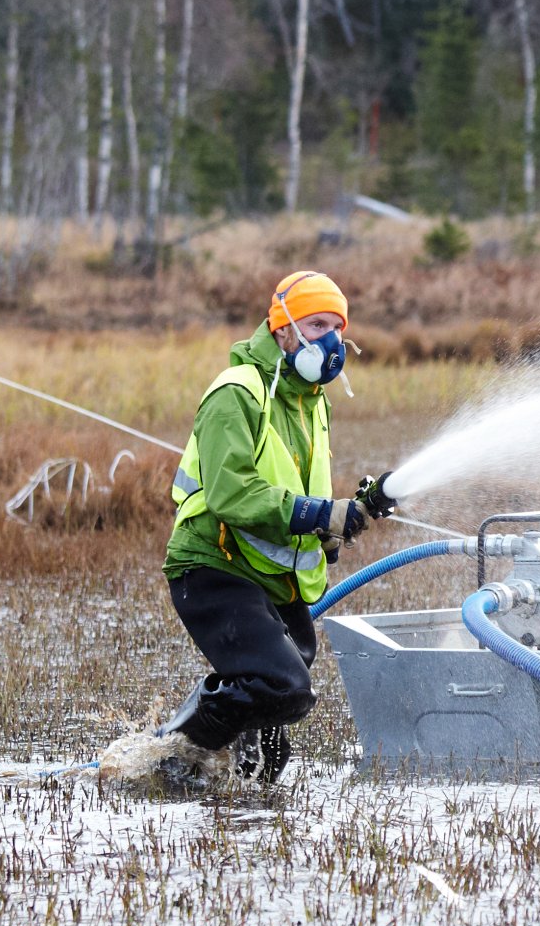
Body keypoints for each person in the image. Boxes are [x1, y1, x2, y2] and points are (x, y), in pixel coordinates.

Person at [160, 270, 392, 784]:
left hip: (272, 576)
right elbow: (232, 492)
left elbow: (295, 490)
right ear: (281, 327)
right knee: (285, 686)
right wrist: (318, 514)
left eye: (337, 327)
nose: (331, 340)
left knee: (268, 757)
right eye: (316, 325)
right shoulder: (237, 392)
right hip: (214, 565)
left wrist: (336, 524)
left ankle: (222, 785)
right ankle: (168, 755)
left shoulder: (313, 402)